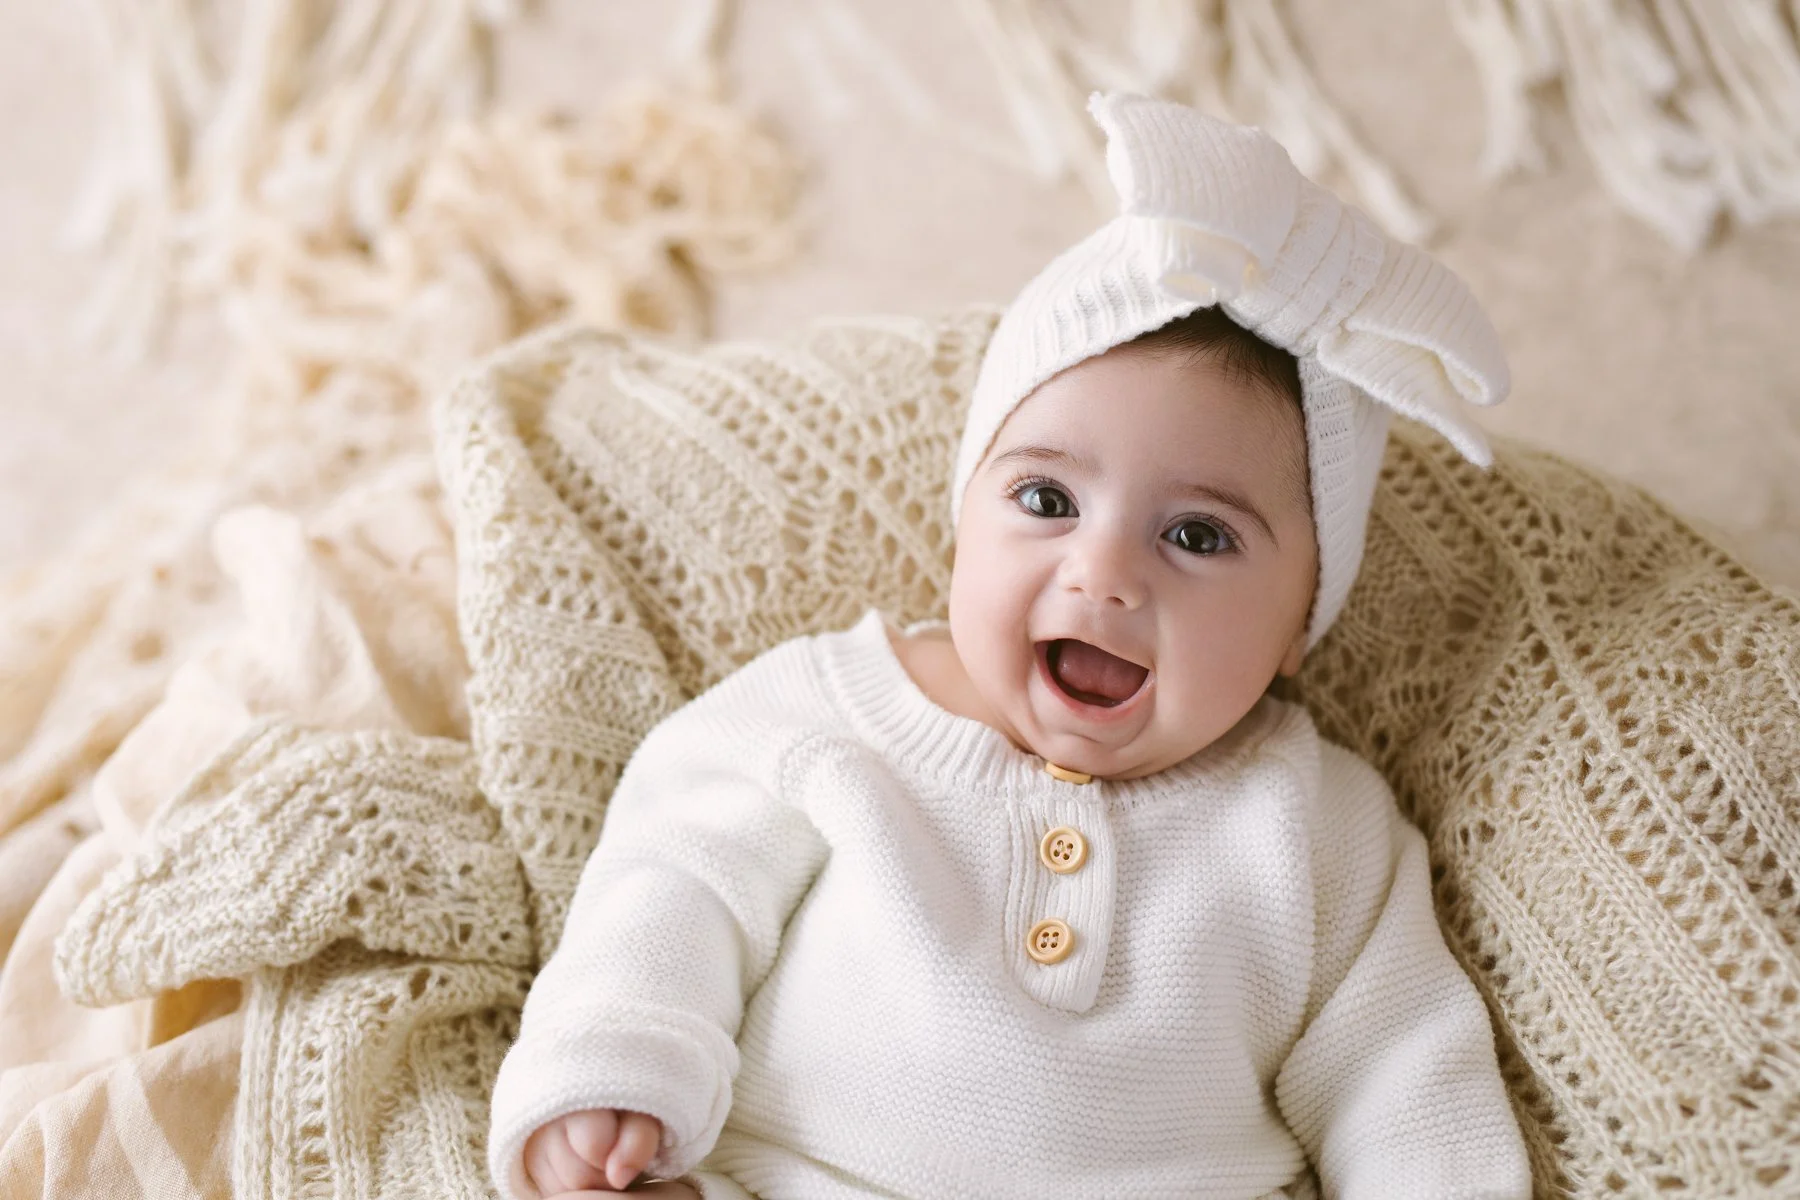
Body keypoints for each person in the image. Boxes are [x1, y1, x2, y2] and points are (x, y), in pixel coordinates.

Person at [485, 92, 1533, 1200]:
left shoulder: (1319, 827)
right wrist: (614, 1074)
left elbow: (1405, 1074)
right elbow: (673, 886)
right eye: (1045, 497)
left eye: (1197, 535)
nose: (1104, 573)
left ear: (1297, 626)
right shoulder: (826, 717)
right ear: (963, 522)